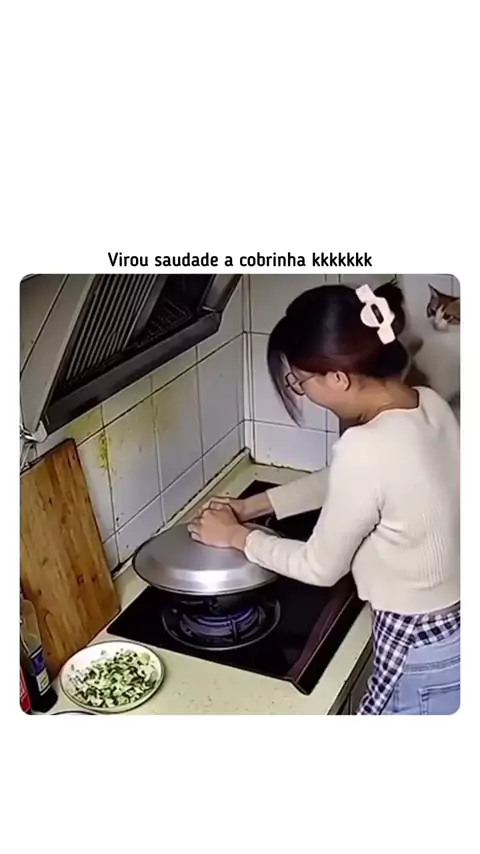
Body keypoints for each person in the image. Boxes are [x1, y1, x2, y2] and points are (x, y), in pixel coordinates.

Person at [188, 282, 460, 715]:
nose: (304, 392)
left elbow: (319, 568)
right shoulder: (424, 403)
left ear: (337, 377)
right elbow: (361, 482)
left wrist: (238, 538)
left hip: (417, 642)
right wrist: (255, 506)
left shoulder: (365, 447)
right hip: (452, 624)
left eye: (300, 380)